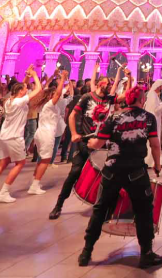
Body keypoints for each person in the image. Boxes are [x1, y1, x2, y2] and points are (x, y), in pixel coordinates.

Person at [78, 87, 162, 269]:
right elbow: (155, 145)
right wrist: (157, 165)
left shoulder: (114, 117)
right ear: (142, 100)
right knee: (144, 210)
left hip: (112, 170)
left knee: (100, 209)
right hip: (136, 171)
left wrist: (90, 142)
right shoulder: (148, 118)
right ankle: (146, 254)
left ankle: (86, 252)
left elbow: (98, 143)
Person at [49, 64, 115, 219]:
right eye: (107, 84)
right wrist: (73, 134)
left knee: (107, 176)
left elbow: (125, 95)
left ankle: (103, 207)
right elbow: (72, 116)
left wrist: (128, 77)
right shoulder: (87, 97)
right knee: (74, 173)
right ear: (99, 84)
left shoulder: (109, 100)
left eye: (111, 85)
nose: (110, 87)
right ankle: (59, 204)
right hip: (85, 142)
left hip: (102, 144)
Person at [0, 67, 42, 204]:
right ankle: (3, 192)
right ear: (20, 92)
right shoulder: (20, 101)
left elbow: (20, 87)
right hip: (14, 137)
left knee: (3, 163)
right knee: (20, 163)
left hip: (5, 136)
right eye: (25, 89)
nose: (27, 89)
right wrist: (35, 76)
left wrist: (27, 76)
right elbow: (38, 90)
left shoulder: (9, 101)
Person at [28, 71, 72, 195]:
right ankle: (35, 185)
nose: (57, 96)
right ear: (50, 96)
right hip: (46, 134)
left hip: (41, 132)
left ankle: (34, 181)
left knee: (41, 159)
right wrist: (62, 79)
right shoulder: (50, 104)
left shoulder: (45, 105)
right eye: (53, 95)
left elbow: (60, 93)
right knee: (46, 160)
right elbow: (58, 93)